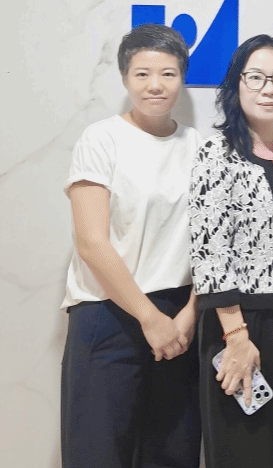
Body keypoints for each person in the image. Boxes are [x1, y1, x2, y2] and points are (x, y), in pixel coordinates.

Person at [59, 23, 201, 468]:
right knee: (98, 454)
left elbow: (214, 245)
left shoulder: (201, 146)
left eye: (168, 73)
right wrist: (149, 317)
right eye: (142, 74)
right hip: (109, 314)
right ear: (124, 78)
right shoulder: (101, 139)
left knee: (173, 454)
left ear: (183, 78)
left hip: (179, 319)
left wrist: (190, 313)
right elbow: (91, 242)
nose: (155, 85)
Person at [189, 35, 273, 468]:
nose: (269, 89)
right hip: (240, 318)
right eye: (256, 77)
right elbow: (209, 250)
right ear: (237, 85)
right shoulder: (218, 152)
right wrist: (236, 336)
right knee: (247, 445)